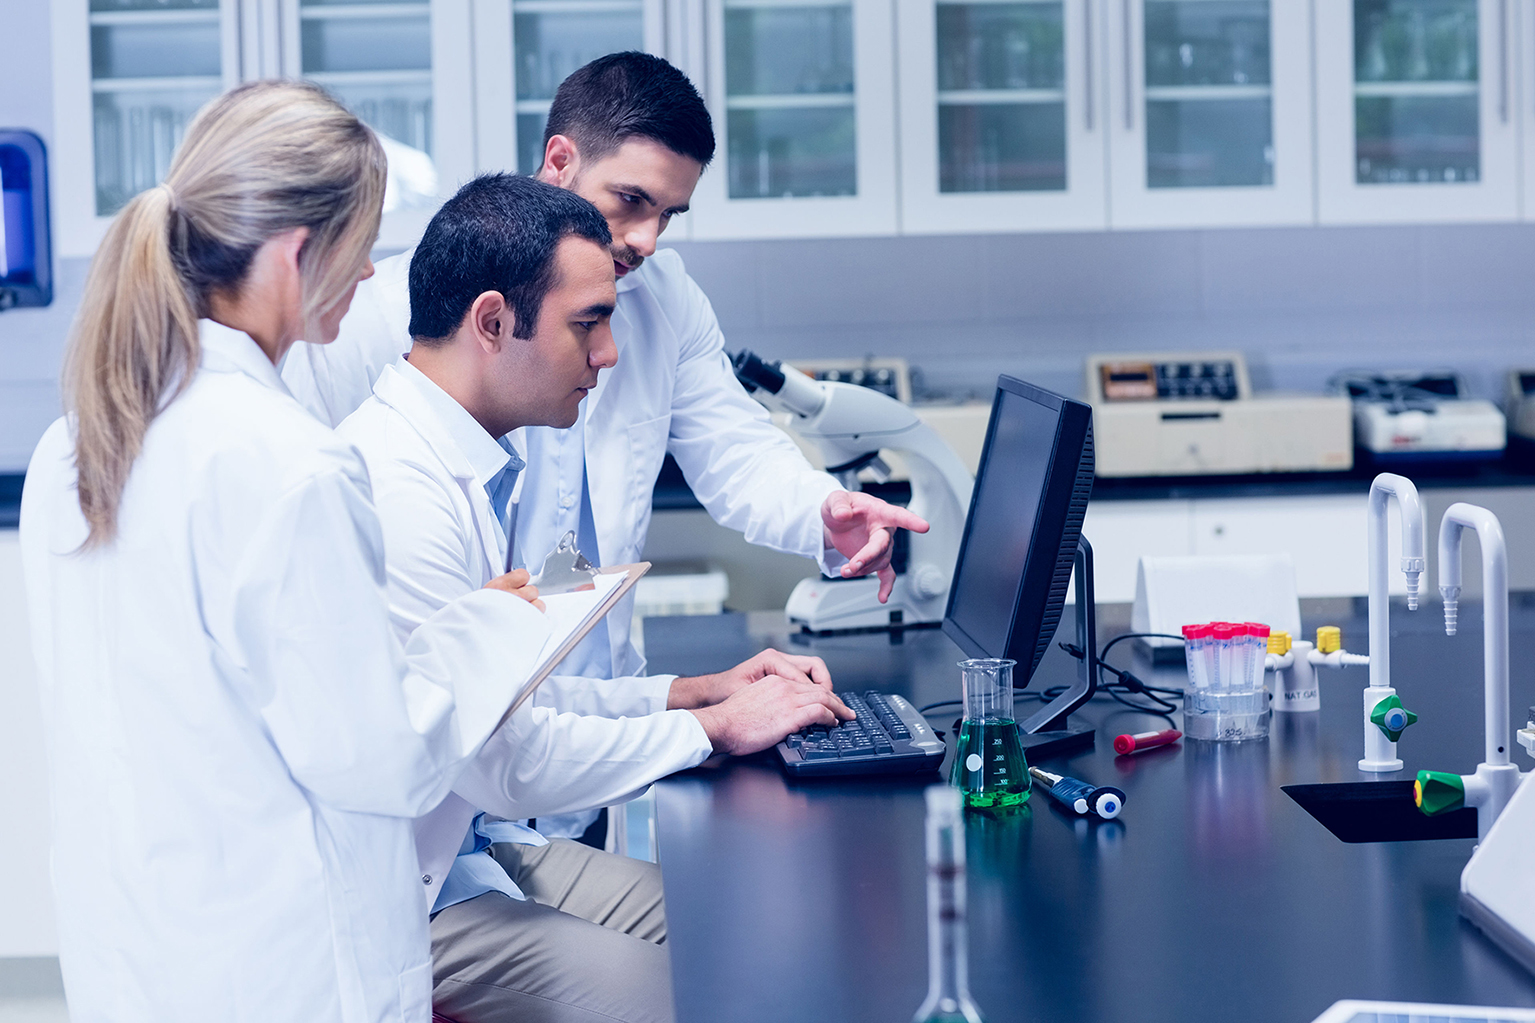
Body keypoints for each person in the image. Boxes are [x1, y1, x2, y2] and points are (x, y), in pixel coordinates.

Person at [19, 81, 557, 1023]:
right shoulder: (290, 462)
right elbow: (384, 761)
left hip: (139, 962)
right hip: (289, 971)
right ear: (296, 254)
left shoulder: (71, 447)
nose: (371, 273)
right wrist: (495, 628)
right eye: (363, 246)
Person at [339, 172, 854, 1023]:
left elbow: (504, 703)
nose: (609, 355)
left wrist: (690, 693)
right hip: (407, 900)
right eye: (588, 324)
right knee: (711, 1001)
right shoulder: (402, 493)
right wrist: (715, 729)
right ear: (492, 323)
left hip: (471, 849)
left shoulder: (461, 463)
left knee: (753, 924)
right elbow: (503, 763)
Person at [281, 52, 929, 718]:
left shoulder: (666, 300)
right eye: (631, 201)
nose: (646, 240)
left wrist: (823, 511)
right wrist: (707, 723)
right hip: (467, 720)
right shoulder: (381, 316)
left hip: (606, 698)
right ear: (560, 160)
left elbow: (736, 451)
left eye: (668, 214)